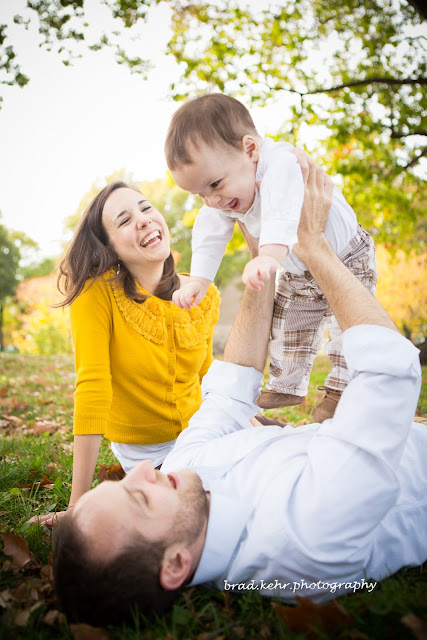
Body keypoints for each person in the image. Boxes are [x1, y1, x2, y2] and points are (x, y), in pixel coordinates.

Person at [52, 158, 426, 626]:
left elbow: (227, 391)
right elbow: (390, 371)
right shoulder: (306, 536)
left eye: (126, 480)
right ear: (175, 565)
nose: (144, 471)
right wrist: (312, 247)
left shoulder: (185, 475)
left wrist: (261, 262)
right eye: (140, 498)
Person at [164, 93, 377, 421]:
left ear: (250, 149)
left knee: (347, 327)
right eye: (200, 193)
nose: (212, 200)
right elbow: (209, 231)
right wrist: (200, 279)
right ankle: (287, 383)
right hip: (298, 268)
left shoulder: (278, 162)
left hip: (347, 257)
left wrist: (267, 255)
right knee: (290, 324)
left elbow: (282, 206)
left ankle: (341, 392)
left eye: (215, 185)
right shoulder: (228, 192)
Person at [30, 181, 221, 528]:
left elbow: (209, 378)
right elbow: (92, 387)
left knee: (278, 451)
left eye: (146, 209)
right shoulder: (96, 293)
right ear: (111, 247)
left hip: (207, 431)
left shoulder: (202, 293)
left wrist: (252, 426)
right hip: (155, 456)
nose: (144, 220)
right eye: (124, 220)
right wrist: (77, 507)